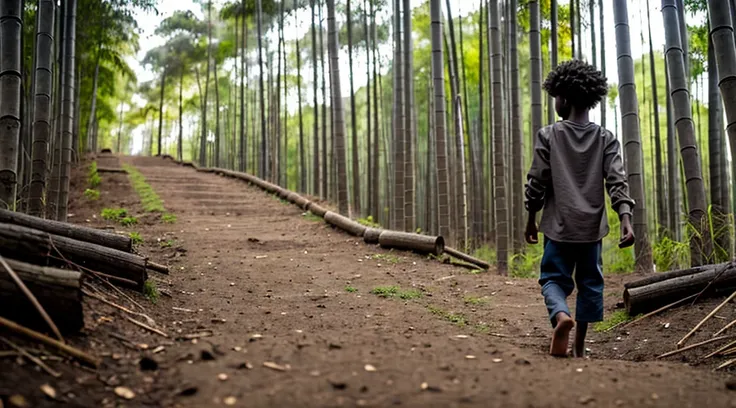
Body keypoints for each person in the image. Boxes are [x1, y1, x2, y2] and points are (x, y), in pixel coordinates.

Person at [524, 60, 635, 358]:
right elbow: (617, 180)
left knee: (552, 279)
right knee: (590, 285)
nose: (555, 102)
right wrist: (625, 217)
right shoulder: (606, 138)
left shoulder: (549, 135)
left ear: (566, 98)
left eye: (556, 97)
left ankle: (561, 317)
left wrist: (531, 219)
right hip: (591, 230)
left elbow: (536, 182)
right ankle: (580, 348)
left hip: (559, 228)